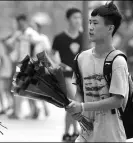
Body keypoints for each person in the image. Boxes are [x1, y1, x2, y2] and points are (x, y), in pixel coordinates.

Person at [66, 2, 128, 142]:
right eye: (90, 23)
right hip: (85, 135)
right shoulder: (81, 58)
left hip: (111, 136)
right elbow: (80, 92)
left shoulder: (117, 61)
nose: (91, 28)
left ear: (110, 28)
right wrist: (77, 109)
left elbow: (117, 100)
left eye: (95, 23)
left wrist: (82, 106)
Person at [52, 8, 83, 141]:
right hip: (67, 76)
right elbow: (51, 55)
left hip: (81, 76)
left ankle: (68, 133)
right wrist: (60, 64)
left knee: (72, 105)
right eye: (75, 17)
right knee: (74, 101)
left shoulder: (85, 37)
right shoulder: (59, 38)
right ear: (68, 19)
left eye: (79, 17)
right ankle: (74, 132)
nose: (78, 20)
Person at [6, 14, 42, 119]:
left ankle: (21, 112)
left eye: (22, 23)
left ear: (25, 22)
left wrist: (26, 39)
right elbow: (9, 43)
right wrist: (16, 39)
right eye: (19, 23)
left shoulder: (31, 32)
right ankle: (31, 110)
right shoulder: (18, 33)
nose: (20, 25)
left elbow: (38, 41)